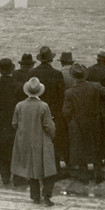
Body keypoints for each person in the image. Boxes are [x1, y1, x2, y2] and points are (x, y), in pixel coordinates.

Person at [63, 63, 105, 185]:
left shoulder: (69, 92)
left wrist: (71, 120)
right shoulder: (96, 86)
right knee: (96, 147)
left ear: (74, 77)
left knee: (81, 149)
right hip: (95, 122)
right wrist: (102, 108)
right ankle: (98, 174)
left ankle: (84, 176)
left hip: (79, 124)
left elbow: (66, 112)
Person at [11, 77, 58, 207]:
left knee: (31, 170)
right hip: (42, 141)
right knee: (48, 170)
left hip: (25, 141)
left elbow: (14, 123)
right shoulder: (43, 106)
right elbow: (49, 126)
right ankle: (47, 195)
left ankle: (35, 196)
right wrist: (52, 136)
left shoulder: (19, 105)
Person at [27, 46, 66, 177]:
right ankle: (55, 171)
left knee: (36, 142)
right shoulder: (57, 74)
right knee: (52, 143)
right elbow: (62, 97)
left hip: (34, 112)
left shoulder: (31, 73)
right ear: (51, 59)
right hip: (53, 112)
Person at [0, 58, 26, 185]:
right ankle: (17, 178)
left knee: (3, 150)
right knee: (15, 150)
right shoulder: (18, 86)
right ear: (12, 70)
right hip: (14, 123)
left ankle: (5, 177)